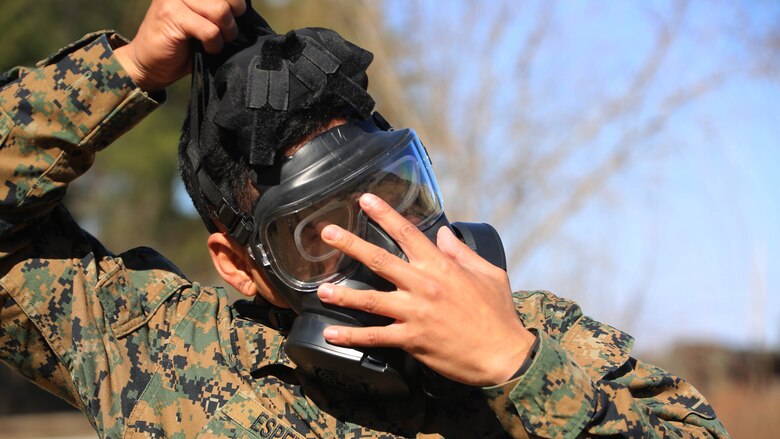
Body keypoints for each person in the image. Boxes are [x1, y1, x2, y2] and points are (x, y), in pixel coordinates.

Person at [0, 0, 729, 437]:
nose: (376, 248)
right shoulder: (153, 348)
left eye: (393, 197)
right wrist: (127, 70)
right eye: (318, 235)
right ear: (237, 262)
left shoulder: (545, 338)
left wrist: (516, 366)